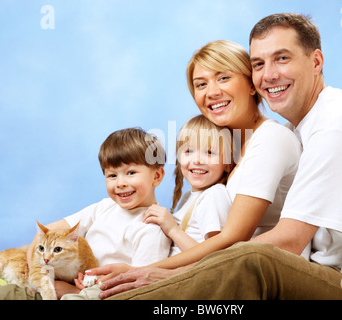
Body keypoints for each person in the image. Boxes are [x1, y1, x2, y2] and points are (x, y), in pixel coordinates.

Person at [98, 13, 342, 300]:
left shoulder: (336, 125)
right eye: (259, 64)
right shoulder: (296, 130)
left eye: (282, 58)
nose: (268, 75)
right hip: (330, 273)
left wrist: (164, 275)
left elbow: (287, 243)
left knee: (253, 260)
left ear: (316, 62)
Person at [84, 40, 305, 298]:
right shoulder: (226, 150)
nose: (211, 92)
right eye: (201, 84)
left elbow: (231, 239)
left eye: (223, 77)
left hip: (249, 279)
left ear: (251, 84)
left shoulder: (270, 139)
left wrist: (146, 271)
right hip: (223, 270)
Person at [0, 128, 171, 299]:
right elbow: (43, 234)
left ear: (157, 176)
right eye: (112, 175)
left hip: (85, 295)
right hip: (49, 284)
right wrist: (41, 276)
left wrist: (69, 291)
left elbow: (141, 289)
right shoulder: (103, 208)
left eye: (130, 173)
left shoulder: (152, 226)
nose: (120, 183)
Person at [143, 114, 234, 256]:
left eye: (209, 152)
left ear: (227, 164)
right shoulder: (189, 196)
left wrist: (173, 230)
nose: (197, 160)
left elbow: (215, 258)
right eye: (189, 151)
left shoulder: (214, 195)